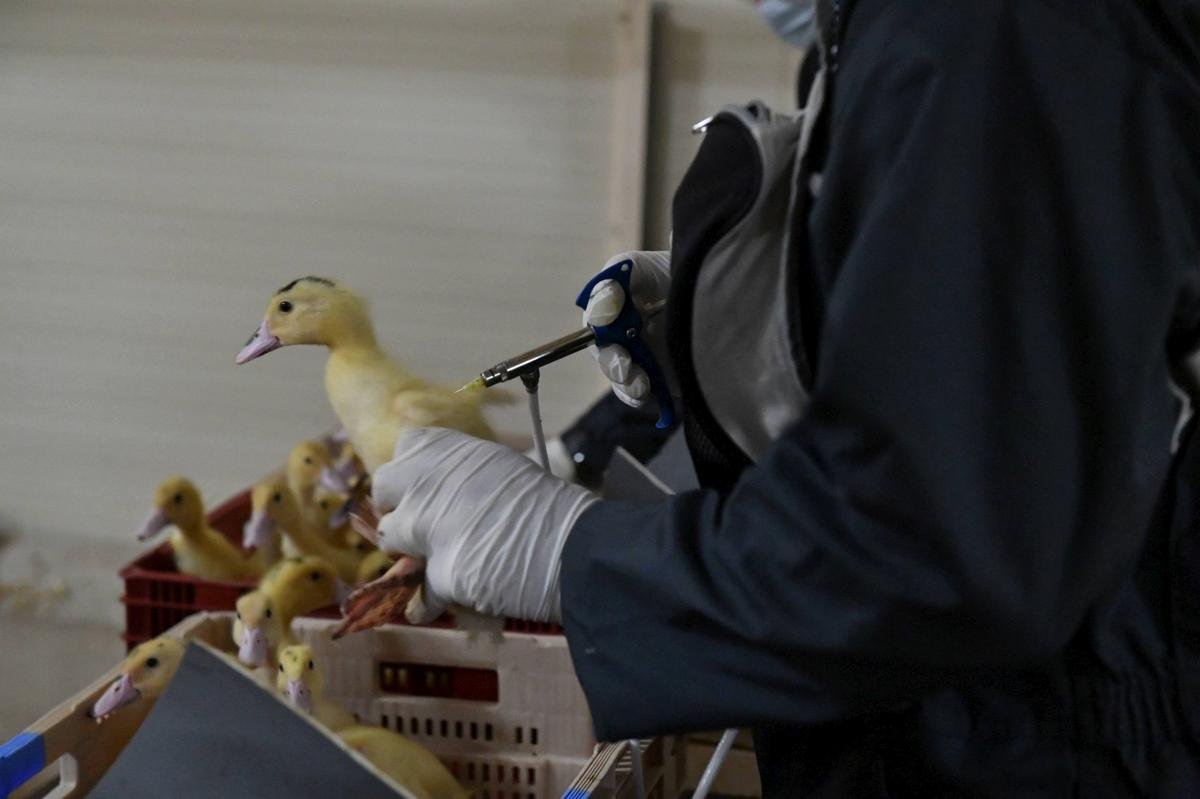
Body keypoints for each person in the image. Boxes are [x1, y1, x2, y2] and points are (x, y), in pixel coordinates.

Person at [368, 1, 1200, 795]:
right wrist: (771, 310)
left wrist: (574, 558)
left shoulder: (995, 28)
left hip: (1045, 743)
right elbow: (1025, 313)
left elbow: (932, 542)